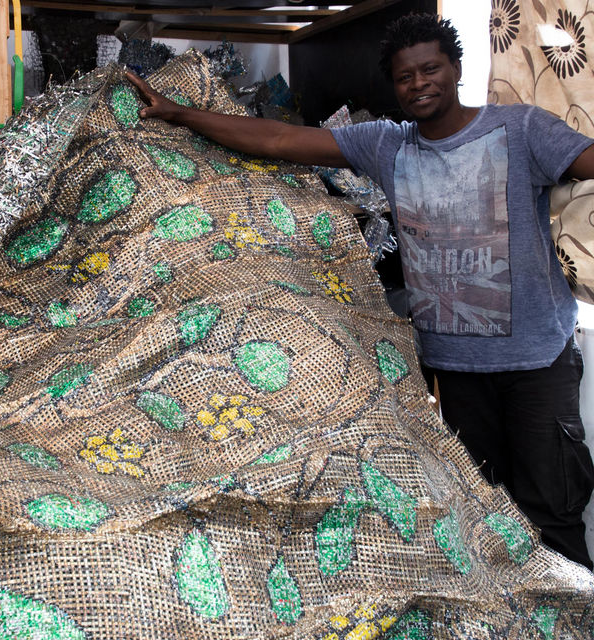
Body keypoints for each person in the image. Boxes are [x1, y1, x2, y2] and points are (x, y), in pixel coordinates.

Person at [127, 12, 594, 569]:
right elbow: (278, 138)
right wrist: (179, 115)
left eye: (430, 69)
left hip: (536, 366)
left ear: (456, 68)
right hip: (457, 371)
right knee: (486, 523)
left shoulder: (520, 131)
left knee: (554, 516)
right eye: (405, 77)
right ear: (393, 86)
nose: (419, 84)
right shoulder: (387, 146)